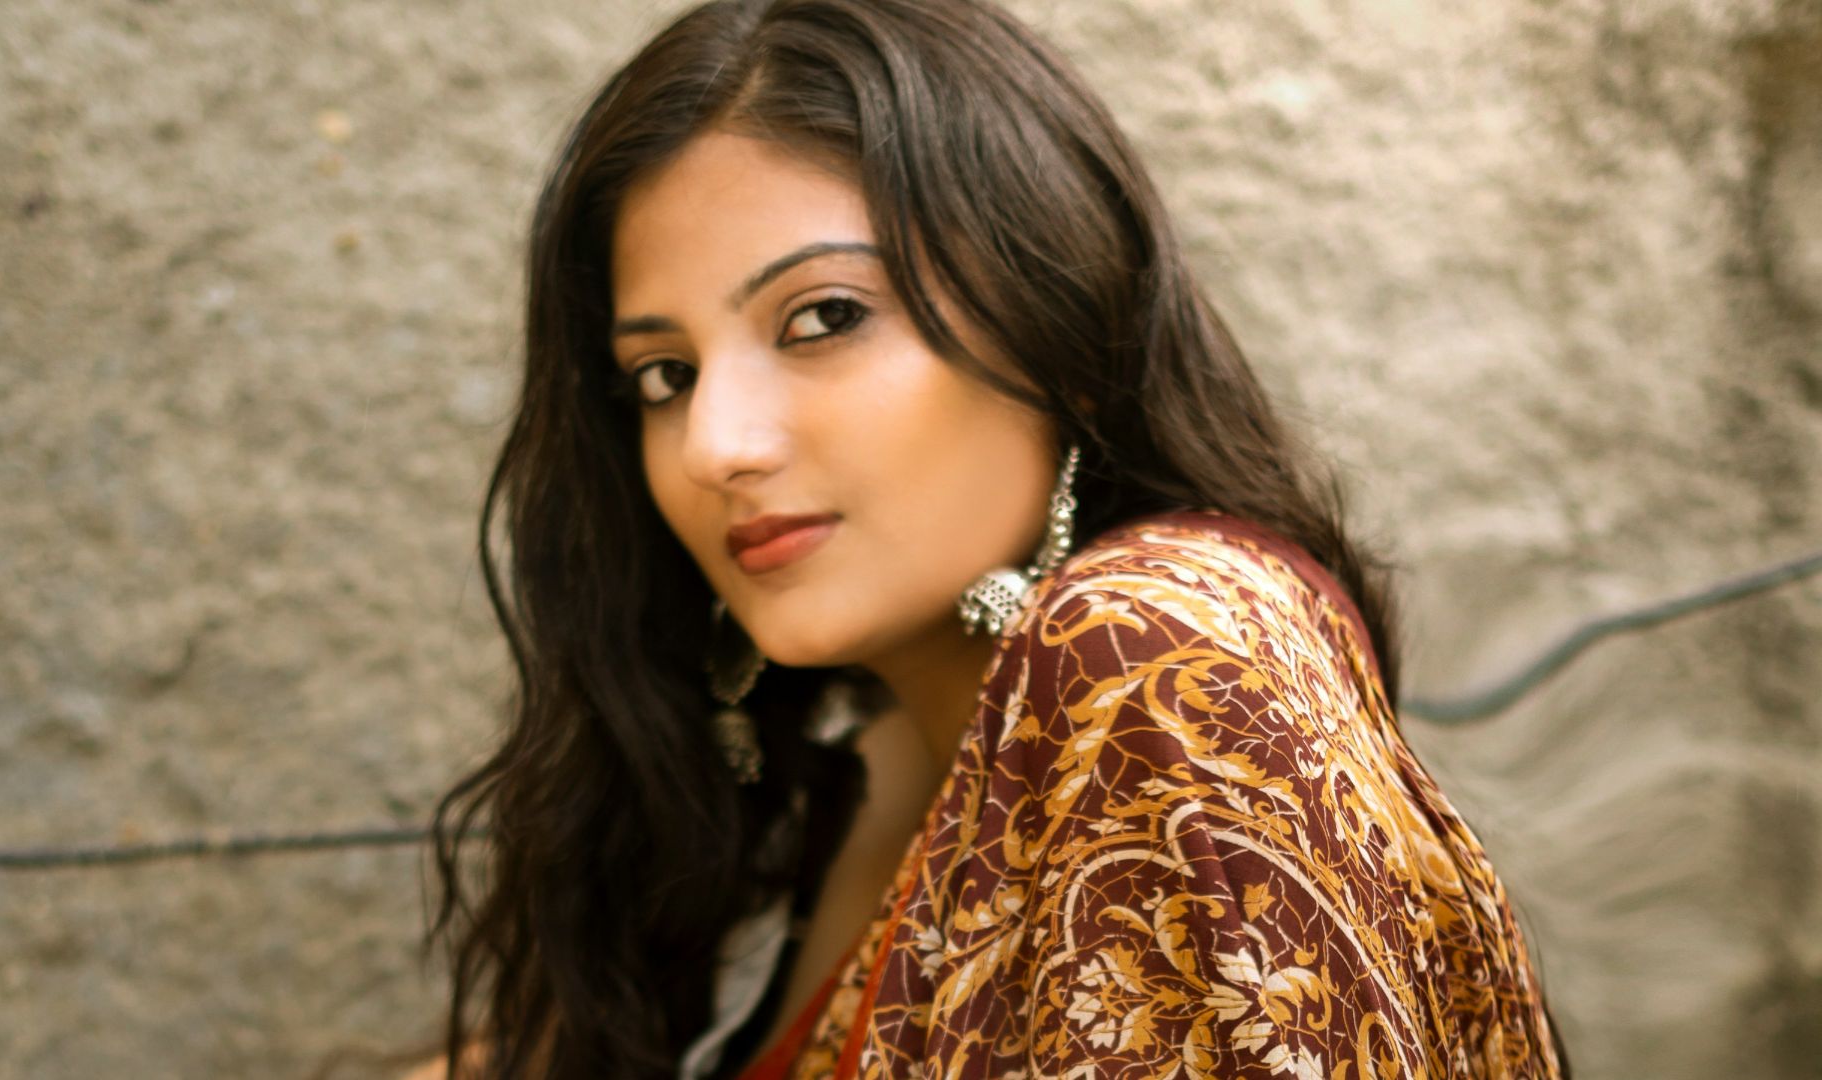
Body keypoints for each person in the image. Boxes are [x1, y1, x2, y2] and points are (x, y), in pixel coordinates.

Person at [416, 0, 1570, 1077]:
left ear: (1052, 321)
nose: (715, 443)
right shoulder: (884, 768)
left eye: (823, 317)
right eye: (663, 375)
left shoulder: (1147, 658)